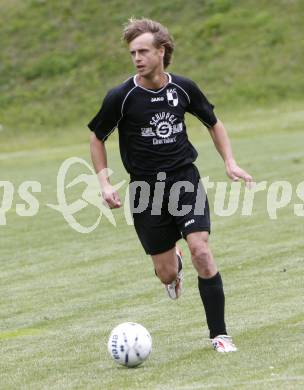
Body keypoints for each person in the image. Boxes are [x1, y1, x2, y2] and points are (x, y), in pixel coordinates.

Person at [88, 18, 252, 353]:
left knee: (202, 252)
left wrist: (230, 162)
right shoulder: (121, 96)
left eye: (144, 51)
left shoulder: (183, 88)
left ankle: (219, 335)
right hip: (146, 192)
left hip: (183, 180)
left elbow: (213, 122)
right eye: (133, 52)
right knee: (164, 274)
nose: (137, 57)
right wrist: (104, 181)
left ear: (162, 51)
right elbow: (97, 136)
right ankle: (172, 267)